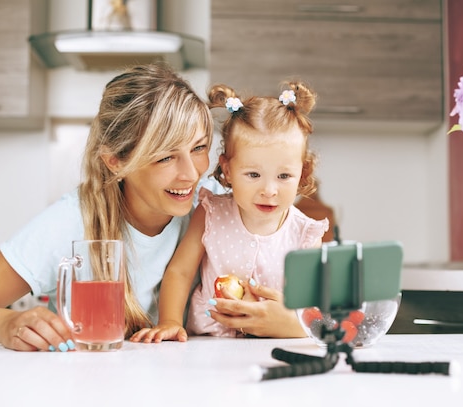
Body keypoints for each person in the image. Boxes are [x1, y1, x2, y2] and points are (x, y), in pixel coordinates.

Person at [0, 63, 215, 352]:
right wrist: (4, 324)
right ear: (116, 161)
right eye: (165, 157)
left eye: (198, 148)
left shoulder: (213, 208)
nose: (191, 173)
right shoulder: (72, 220)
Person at [130, 81, 329, 342]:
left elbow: (312, 314)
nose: (269, 190)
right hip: (207, 346)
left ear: (302, 173)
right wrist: (170, 321)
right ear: (227, 169)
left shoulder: (306, 235)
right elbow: (180, 272)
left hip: (275, 348)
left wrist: (294, 326)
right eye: (253, 174)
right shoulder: (211, 212)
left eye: (284, 176)